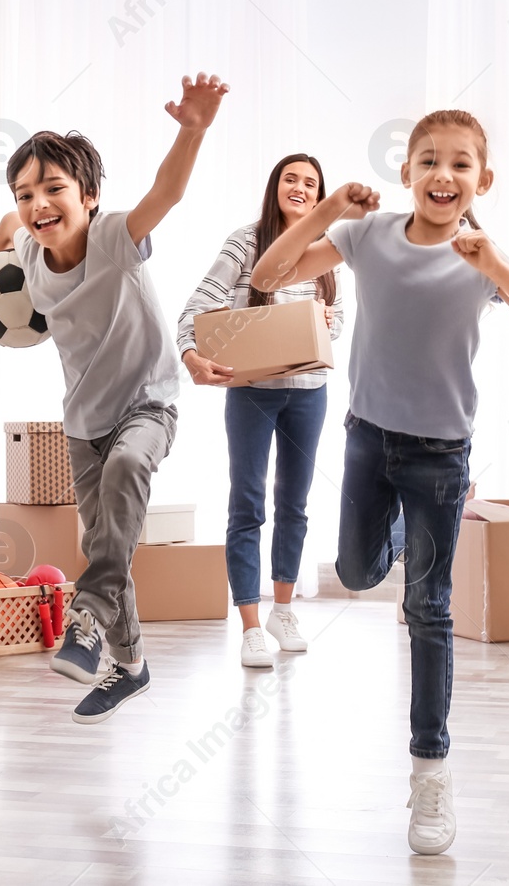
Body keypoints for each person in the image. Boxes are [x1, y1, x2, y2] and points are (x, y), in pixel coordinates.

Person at [251, 110, 509, 856]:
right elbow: (267, 278)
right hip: (368, 438)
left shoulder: (479, 253)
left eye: (461, 164)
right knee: (359, 571)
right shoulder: (367, 236)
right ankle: (410, 531)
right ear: (406, 173)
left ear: (481, 181)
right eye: (428, 160)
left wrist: (495, 266)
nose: (443, 174)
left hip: (440, 453)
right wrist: (328, 210)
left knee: (428, 606)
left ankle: (430, 766)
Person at [0, 71, 230, 724]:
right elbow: (7, 223)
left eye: (54, 189)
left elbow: (168, 191)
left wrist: (193, 129)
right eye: (26, 191)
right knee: (105, 542)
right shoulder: (28, 254)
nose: (38, 203)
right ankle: (132, 666)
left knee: (126, 477)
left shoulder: (116, 238)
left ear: (90, 196)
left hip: (149, 405)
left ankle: (86, 619)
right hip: (82, 424)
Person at [176, 154, 345, 669]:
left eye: (309, 183)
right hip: (252, 392)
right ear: (275, 187)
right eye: (290, 179)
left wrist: (324, 322)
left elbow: (336, 329)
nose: (299, 188)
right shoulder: (246, 241)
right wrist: (191, 356)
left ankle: (284, 610)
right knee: (247, 503)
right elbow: (193, 310)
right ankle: (250, 624)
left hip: (308, 392)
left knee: (295, 504)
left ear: (319, 198)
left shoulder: (329, 252)